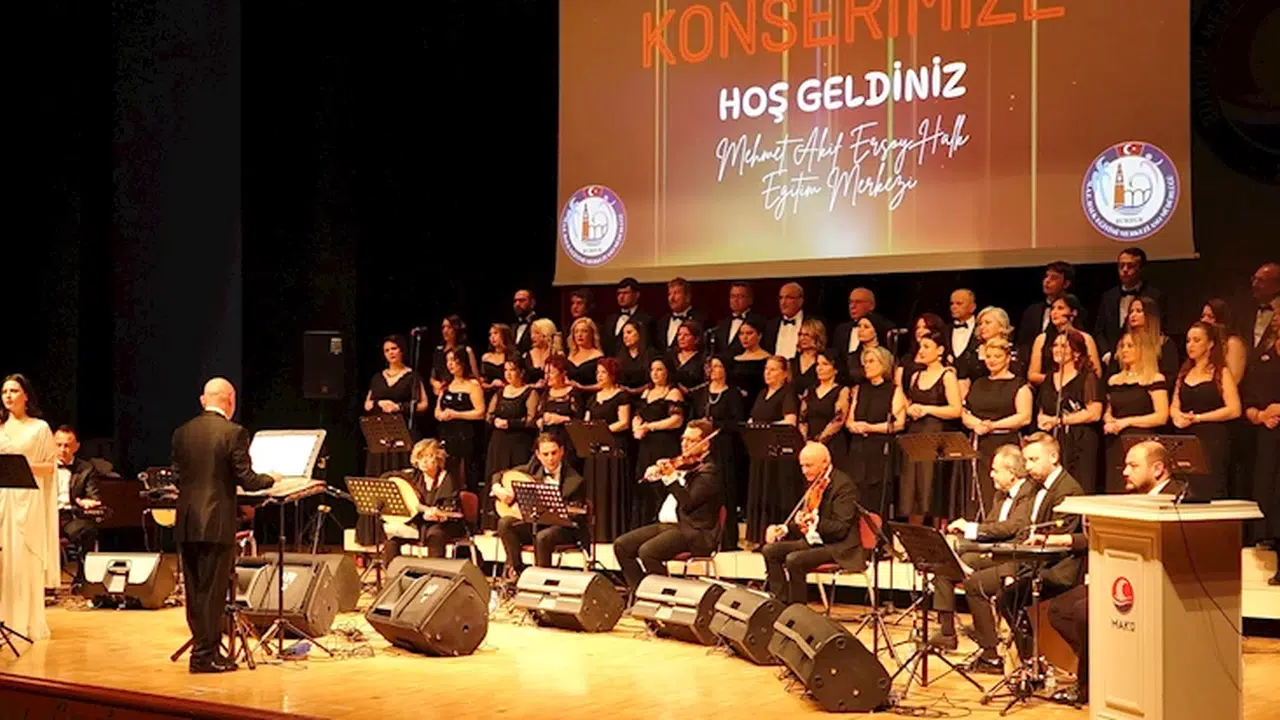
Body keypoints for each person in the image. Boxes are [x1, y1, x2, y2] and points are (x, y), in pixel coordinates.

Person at [1041, 440, 1184, 705]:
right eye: (1125, 465)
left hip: (1157, 584)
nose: (1125, 472)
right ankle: (1107, 669)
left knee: (1085, 611)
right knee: (1060, 609)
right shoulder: (1136, 497)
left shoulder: (1178, 498)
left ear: (1158, 469)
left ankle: (1088, 685)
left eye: (1133, 466)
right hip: (1123, 575)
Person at [170, 378, 278, 673]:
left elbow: (177, 477)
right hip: (216, 522)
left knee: (195, 592)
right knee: (213, 591)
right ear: (230, 400)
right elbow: (247, 480)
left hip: (187, 521)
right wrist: (273, 478)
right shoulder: (234, 432)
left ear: (203, 400)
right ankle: (205, 657)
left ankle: (203, 650)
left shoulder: (182, 432)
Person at [963, 433, 1083, 673]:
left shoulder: (1068, 490)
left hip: (1054, 569)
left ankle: (1027, 663)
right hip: (1030, 560)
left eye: (1033, 460)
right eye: (1026, 460)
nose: (1027, 467)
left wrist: (1013, 568)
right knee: (1005, 596)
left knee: (1001, 594)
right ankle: (1029, 664)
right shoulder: (1035, 488)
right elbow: (1024, 531)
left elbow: (1055, 544)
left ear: (1053, 457)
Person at [932, 444, 1035, 650]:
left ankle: (988, 642)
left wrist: (971, 528)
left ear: (1012, 473)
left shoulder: (1028, 493)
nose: (991, 474)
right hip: (990, 547)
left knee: (968, 574)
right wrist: (966, 531)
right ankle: (947, 633)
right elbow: (990, 526)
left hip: (1009, 554)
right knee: (945, 561)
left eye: (995, 470)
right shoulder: (1000, 495)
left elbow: (1012, 527)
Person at [614, 420, 724, 593]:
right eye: (683, 439)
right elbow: (668, 496)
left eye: (691, 440)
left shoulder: (709, 471)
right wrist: (657, 477)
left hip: (696, 532)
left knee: (648, 551)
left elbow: (688, 503)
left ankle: (666, 595)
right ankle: (641, 592)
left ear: (705, 444)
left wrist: (671, 477)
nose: (684, 444)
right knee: (622, 545)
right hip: (672, 527)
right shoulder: (686, 466)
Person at [761, 442, 864, 605]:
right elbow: (807, 520)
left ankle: (798, 609)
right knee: (770, 550)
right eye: (802, 466)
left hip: (838, 546)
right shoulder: (815, 483)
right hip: (815, 542)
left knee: (794, 559)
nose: (804, 471)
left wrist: (813, 520)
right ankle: (779, 603)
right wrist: (785, 528)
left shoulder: (844, 486)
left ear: (825, 463)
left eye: (809, 466)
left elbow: (840, 528)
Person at [0, 373, 57, 642]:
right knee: (4, 560)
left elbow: (50, 466)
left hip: (28, 499)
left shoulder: (40, 428)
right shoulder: (0, 427)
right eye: (4, 392)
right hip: (3, 500)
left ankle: (26, 622)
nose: (8, 396)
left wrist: (22, 466)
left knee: (23, 558)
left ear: (26, 395)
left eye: (13, 391)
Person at [492, 433, 585, 575]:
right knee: (505, 523)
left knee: (542, 537)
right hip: (536, 524)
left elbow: (577, 515)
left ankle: (542, 579)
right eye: (545, 454)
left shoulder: (575, 480)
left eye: (554, 453)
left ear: (561, 451)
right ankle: (517, 571)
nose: (550, 458)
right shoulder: (532, 469)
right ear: (538, 455)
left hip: (563, 529)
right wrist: (497, 488)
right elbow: (498, 475)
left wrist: (560, 510)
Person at [961, 338, 1033, 516]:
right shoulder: (979, 383)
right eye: (989, 356)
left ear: (1008, 358)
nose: (992, 360)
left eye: (997, 356)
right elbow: (964, 411)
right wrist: (976, 424)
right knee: (981, 490)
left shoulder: (1019, 385)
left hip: (1006, 442)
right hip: (979, 445)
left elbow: (1024, 417)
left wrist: (993, 425)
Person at [1171, 322, 1242, 498]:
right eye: (1188, 341)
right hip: (1186, 438)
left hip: (1212, 439)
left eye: (1196, 340)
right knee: (1186, 488)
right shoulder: (1184, 372)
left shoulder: (1221, 372)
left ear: (1210, 344)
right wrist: (1177, 416)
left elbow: (1234, 409)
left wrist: (1199, 418)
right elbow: (1174, 405)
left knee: (1210, 488)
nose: (1191, 345)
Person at [1035, 329, 1104, 493]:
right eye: (1055, 345)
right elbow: (1042, 409)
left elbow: (1094, 413)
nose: (1057, 349)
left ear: (1077, 352)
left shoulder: (1087, 378)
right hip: (1055, 441)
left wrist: (1060, 421)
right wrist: (1042, 420)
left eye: (1063, 346)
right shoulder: (1049, 378)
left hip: (1080, 442)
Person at [842, 347, 906, 520]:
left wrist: (870, 428)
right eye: (865, 362)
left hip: (880, 449)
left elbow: (899, 423)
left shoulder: (893, 390)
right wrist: (854, 426)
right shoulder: (860, 389)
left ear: (883, 364)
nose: (867, 366)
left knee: (877, 498)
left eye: (871, 361)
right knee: (857, 494)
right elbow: (849, 420)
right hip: (858, 449)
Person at [1102, 332, 1170, 493]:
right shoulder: (1114, 380)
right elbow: (1108, 410)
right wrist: (1109, 420)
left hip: (1141, 441)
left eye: (1130, 346)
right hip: (1115, 442)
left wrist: (1126, 422)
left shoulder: (1154, 378)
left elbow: (1161, 416)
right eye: (1122, 346)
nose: (1124, 350)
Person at [381, 439, 463, 564]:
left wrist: (438, 515)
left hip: (442, 524)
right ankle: (393, 573)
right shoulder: (412, 476)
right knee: (391, 540)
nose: (424, 461)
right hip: (417, 521)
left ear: (438, 459)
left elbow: (450, 509)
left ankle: (434, 573)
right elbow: (386, 477)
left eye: (429, 456)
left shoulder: (448, 478)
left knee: (435, 535)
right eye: (420, 457)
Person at [631, 357, 686, 529]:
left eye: (659, 369)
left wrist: (650, 427)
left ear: (668, 372)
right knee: (645, 483)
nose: (655, 373)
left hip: (664, 444)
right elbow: (637, 415)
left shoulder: (673, 392)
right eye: (652, 370)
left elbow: (676, 420)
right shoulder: (647, 392)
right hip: (646, 445)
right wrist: (636, 428)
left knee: (661, 484)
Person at [52, 425, 103, 589]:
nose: (62, 450)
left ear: (76, 447)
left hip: (71, 516)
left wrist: (88, 502)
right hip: (46, 515)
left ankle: (82, 579)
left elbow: (94, 497)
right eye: (58, 445)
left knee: (87, 531)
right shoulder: (44, 466)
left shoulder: (86, 469)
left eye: (67, 445)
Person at [1095, 247, 1166, 361]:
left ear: (1141, 269)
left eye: (1130, 266)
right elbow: (1099, 330)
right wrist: (1106, 353)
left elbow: (1158, 327)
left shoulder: (1154, 296)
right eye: (1121, 266)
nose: (1125, 270)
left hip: (1145, 356)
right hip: (1113, 358)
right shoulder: (1108, 296)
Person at [435, 347, 487, 492]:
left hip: (466, 435)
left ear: (463, 362)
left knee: (466, 473)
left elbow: (480, 412)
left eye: (454, 360)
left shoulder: (472, 385)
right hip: (447, 434)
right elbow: (437, 409)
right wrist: (440, 414)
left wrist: (456, 414)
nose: (450, 364)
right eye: (448, 361)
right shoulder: (447, 385)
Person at [604, 277, 655, 358]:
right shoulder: (610, 320)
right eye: (619, 293)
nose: (621, 297)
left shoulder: (646, 320)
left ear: (637, 295)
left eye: (625, 293)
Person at [712, 282, 766, 357]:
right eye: (733, 296)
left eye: (740, 296)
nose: (735, 300)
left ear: (750, 300)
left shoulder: (759, 321)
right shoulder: (721, 323)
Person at [657, 277, 708, 351]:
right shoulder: (662, 321)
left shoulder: (700, 320)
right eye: (669, 294)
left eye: (676, 293)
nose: (671, 298)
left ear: (687, 297)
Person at [764, 282, 808, 359]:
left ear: (800, 301)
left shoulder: (812, 322)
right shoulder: (771, 325)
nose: (783, 302)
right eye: (781, 298)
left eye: (788, 298)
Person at [512, 288, 538, 354]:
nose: (517, 304)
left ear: (532, 303)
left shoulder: (540, 324)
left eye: (522, 300)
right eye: (515, 301)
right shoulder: (512, 327)